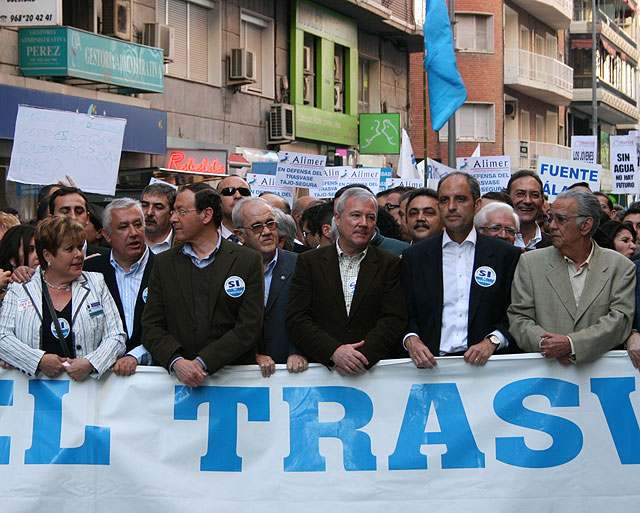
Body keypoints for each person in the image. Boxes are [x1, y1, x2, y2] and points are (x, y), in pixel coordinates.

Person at [142, 183, 264, 388]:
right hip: (174, 386)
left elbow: (248, 328)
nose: (173, 218)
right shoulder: (163, 263)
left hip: (231, 383)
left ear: (206, 215)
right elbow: (151, 326)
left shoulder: (246, 260)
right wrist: (177, 362)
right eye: (173, 211)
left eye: (181, 211)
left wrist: (203, 362)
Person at [402, 172, 521, 368]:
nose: (451, 207)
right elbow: (405, 314)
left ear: (477, 205)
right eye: (444, 200)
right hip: (430, 369)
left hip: (487, 369)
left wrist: (492, 341)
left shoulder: (505, 255)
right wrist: (412, 339)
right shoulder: (414, 257)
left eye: (460, 199)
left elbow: (514, 312)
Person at [287, 187, 407, 375]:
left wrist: (361, 357)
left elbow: (393, 318)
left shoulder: (388, 263)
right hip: (324, 372)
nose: (363, 223)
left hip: (374, 372)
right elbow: (298, 317)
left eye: (370, 217)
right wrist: (333, 352)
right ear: (337, 218)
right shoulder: (309, 262)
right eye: (356, 215)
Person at [508, 189, 636, 364]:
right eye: (550, 218)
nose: (552, 226)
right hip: (546, 376)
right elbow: (519, 318)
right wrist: (548, 345)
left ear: (586, 225)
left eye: (561, 219)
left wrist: (572, 344)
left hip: (599, 380)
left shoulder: (620, 267)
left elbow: (619, 321)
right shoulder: (530, 263)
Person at [0, 216, 125, 379]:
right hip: (33, 396)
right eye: (69, 249)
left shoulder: (96, 283)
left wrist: (90, 363)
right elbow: (3, 337)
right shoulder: (21, 287)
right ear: (48, 255)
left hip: (86, 392)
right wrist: (38, 361)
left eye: (80, 247)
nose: (79, 254)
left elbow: (116, 336)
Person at [232, 197, 308, 377]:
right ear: (240, 235)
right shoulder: (228, 269)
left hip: (292, 375)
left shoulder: (300, 265)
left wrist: (298, 350)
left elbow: (312, 315)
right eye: (257, 227)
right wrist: (252, 355)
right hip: (244, 377)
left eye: (271, 224)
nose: (266, 231)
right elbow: (223, 323)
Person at [83, 199, 154, 376]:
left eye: (138, 224)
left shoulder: (166, 269)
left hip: (154, 379)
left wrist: (136, 355)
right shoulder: (90, 271)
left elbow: (172, 328)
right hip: (101, 379)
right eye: (123, 227)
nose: (133, 233)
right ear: (107, 235)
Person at [48, 186, 109, 257]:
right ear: (51, 219)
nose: (73, 217)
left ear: (87, 218)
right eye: (65, 212)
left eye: (79, 212)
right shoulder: (38, 256)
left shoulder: (106, 257)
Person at [507, 171, 552, 250]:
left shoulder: (554, 245)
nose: (527, 201)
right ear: (508, 198)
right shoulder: (496, 241)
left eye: (534, 195)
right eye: (520, 194)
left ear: (542, 202)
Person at [141, 183, 176, 254]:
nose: (149, 213)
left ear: (172, 213)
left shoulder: (185, 246)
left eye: (158, 207)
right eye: (144, 206)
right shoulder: (125, 241)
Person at [216, 175, 252, 242]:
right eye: (229, 191)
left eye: (244, 191)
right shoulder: (208, 238)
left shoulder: (261, 237)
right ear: (218, 199)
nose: (238, 196)